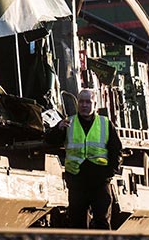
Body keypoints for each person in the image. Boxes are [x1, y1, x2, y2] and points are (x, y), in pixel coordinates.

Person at [49, 89, 122, 229]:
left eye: (88, 102)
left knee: (102, 221)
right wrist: (58, 128)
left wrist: (110, 172)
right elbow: (50, 141)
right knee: (77, 223)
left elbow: (116, 150)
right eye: (81, 101)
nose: (84, 105)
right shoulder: (68, 123)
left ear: (95, 104)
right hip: (77, 181)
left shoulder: (105, 123)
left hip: (99, 181)